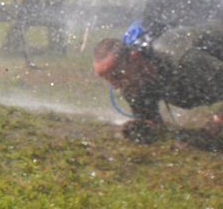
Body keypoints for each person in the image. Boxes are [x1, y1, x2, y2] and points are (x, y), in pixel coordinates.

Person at [93, 23, 223, 143]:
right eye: (108, 79)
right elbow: (152, 121)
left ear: (135, 58)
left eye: (117, 75)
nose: (115, 85)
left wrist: (212, 127)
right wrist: (146, 128)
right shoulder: (133, 85)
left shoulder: (183, 59)